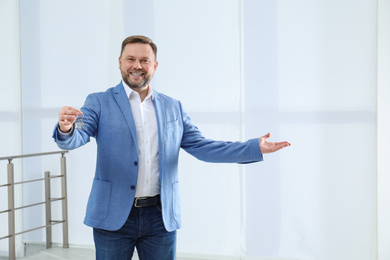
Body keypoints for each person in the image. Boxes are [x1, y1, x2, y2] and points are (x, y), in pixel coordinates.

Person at [53, 35, 290, 260]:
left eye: (144, 60)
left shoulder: (172, 107)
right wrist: (66, 129)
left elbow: (203, 146)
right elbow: (78, 135)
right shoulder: (98, 102)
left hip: (160, 217)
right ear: (120, 63)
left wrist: (253, 147)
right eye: (131, 59)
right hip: (112, 215)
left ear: (154, 65)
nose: (137, 65)